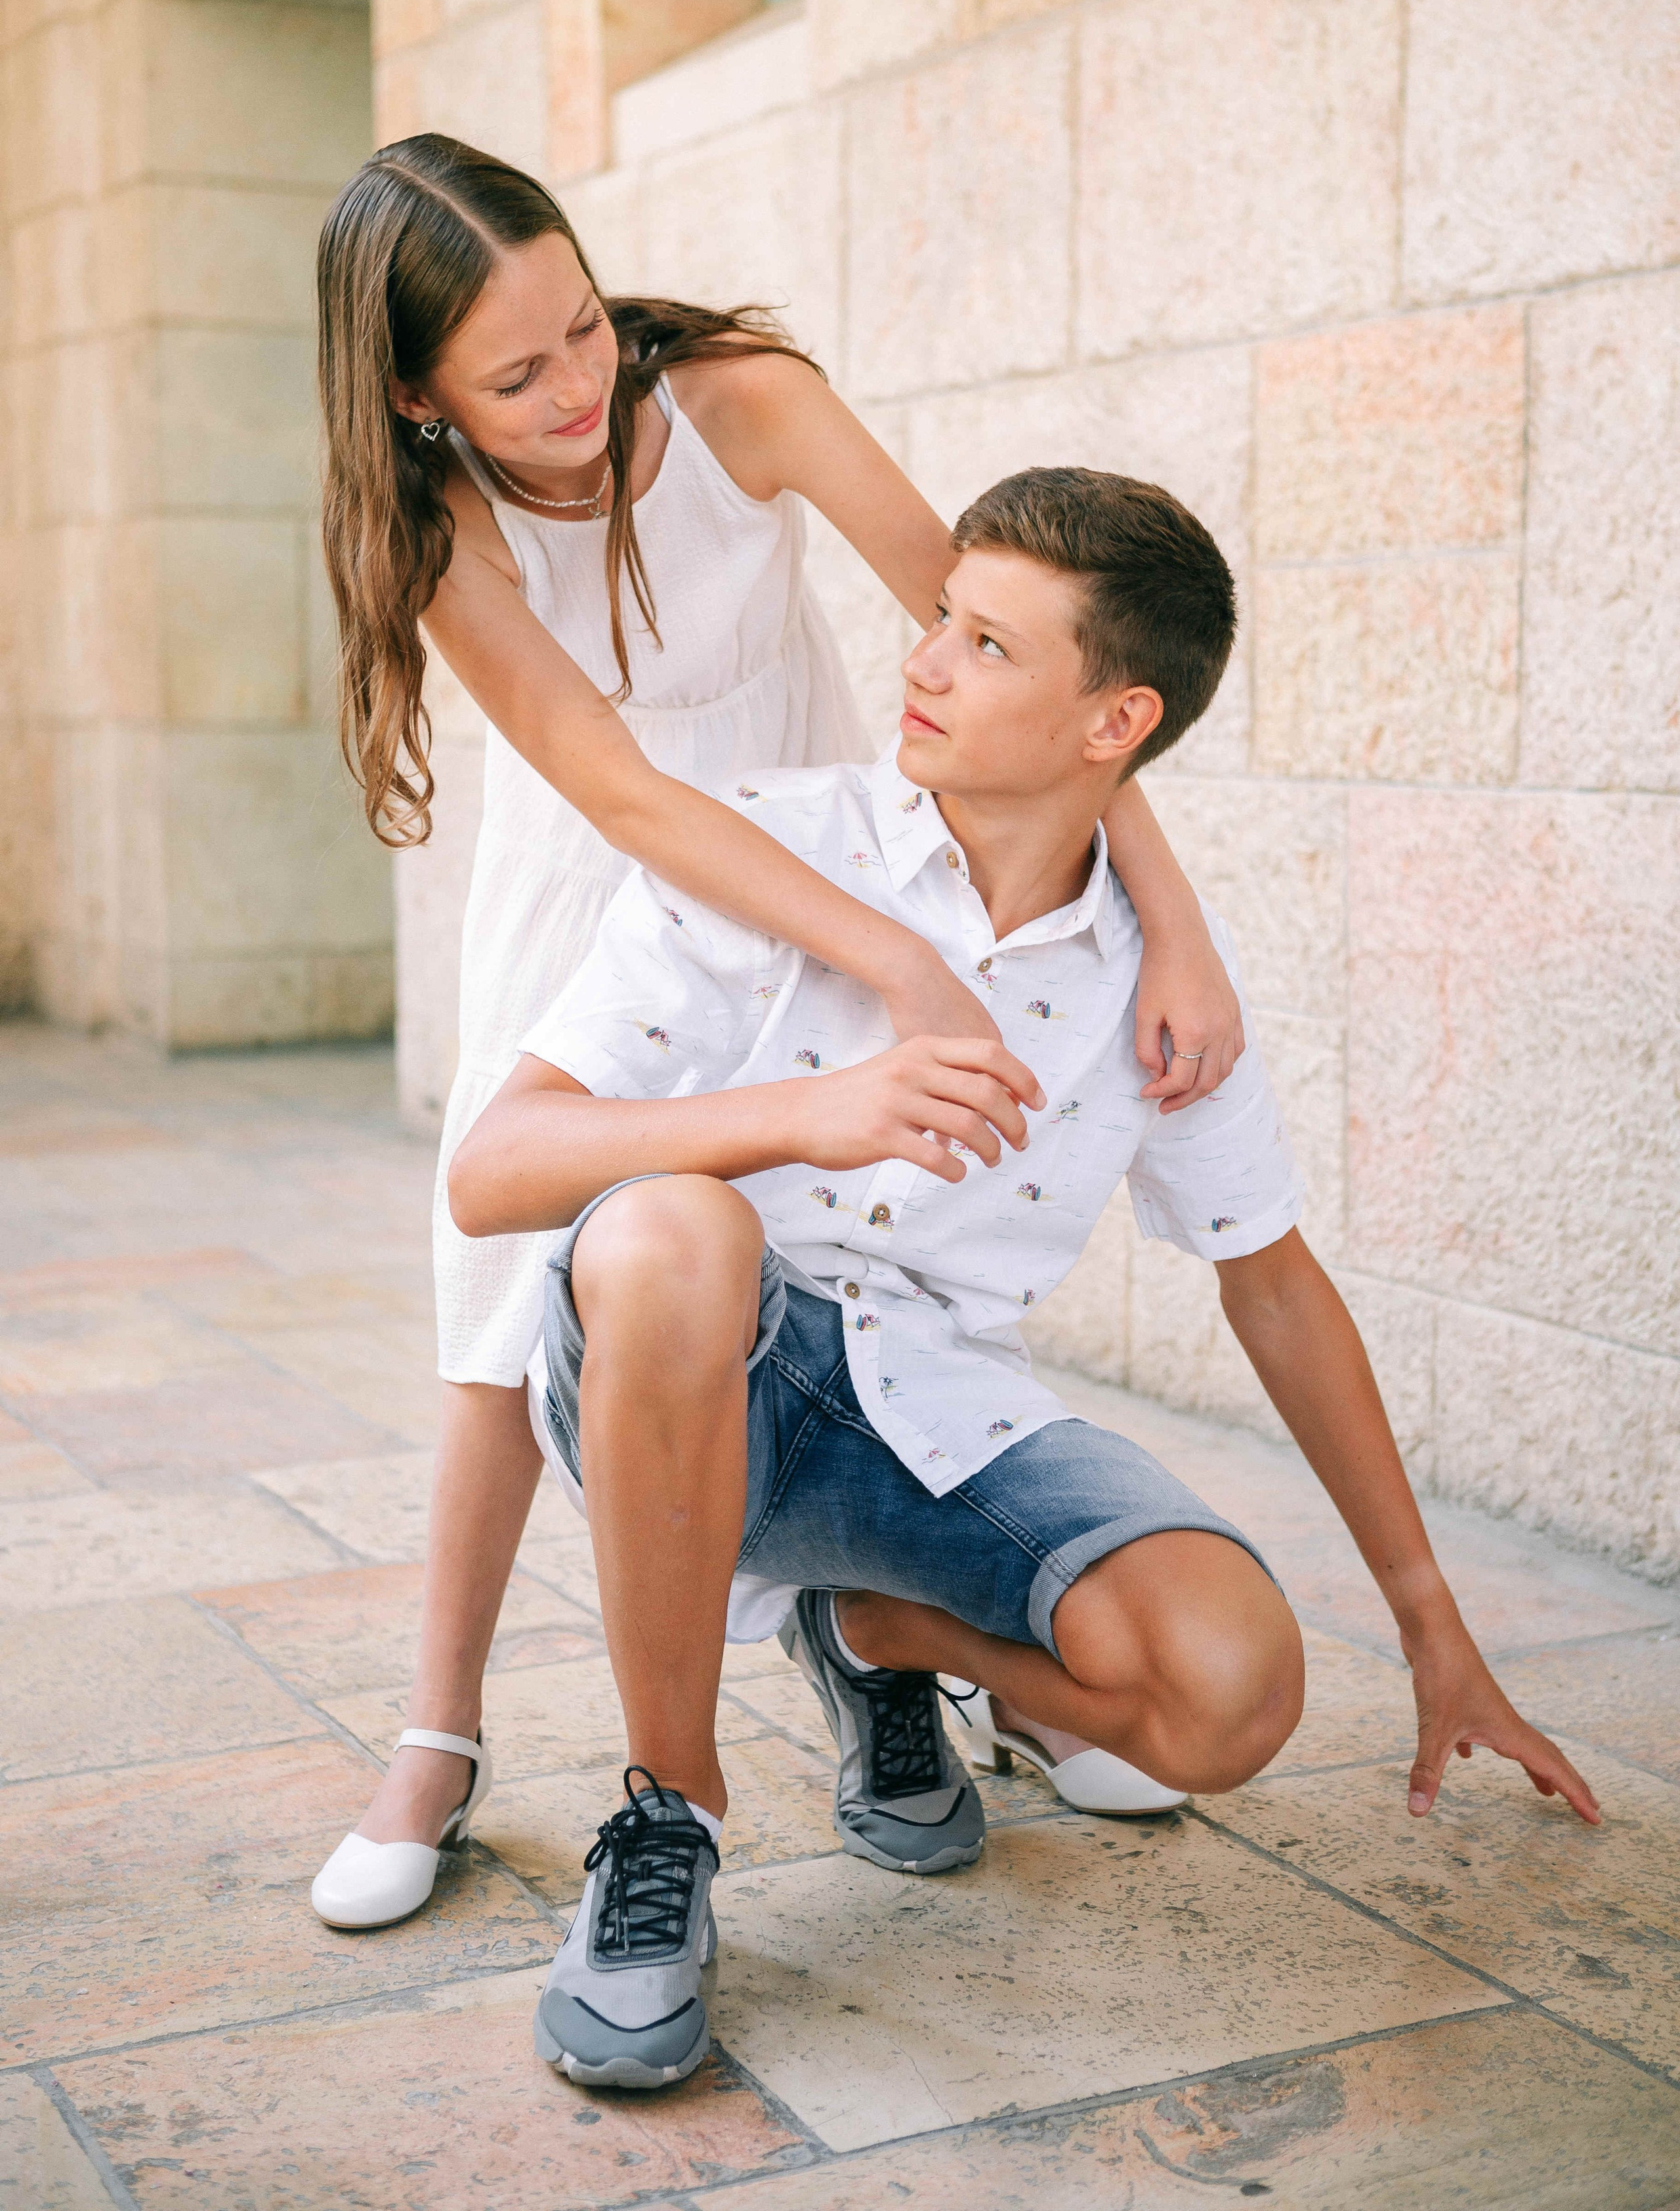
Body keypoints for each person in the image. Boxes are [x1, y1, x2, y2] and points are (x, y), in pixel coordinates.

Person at [447, 466, 1600, 2092]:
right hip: (694, 1369)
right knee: (675, 1227)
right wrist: (808, 1111)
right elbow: (490, 1171)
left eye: (985, 645)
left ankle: (876, 1633)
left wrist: (1430, 1624)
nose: (920, 662)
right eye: (938, 619)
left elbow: (1267, 1280)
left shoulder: (1158, 985)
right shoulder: (780, 847)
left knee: (1230, 1694)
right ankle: (666, 1814)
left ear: (1109, 722)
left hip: (933, 1414)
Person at [307, 138, 1241, 1929]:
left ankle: (941, 1644)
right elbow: (630, 799)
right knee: (510, 1306)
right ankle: (440, 1730)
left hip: (843, 847)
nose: (580, 387)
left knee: (866, 1262)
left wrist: (1175, 926)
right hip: (618, 889)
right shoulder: (435, 531)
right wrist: (896, 964)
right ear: (416, 394)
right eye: (517, 375)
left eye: (583, 326)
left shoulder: (748, 404)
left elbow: (1021, 656)